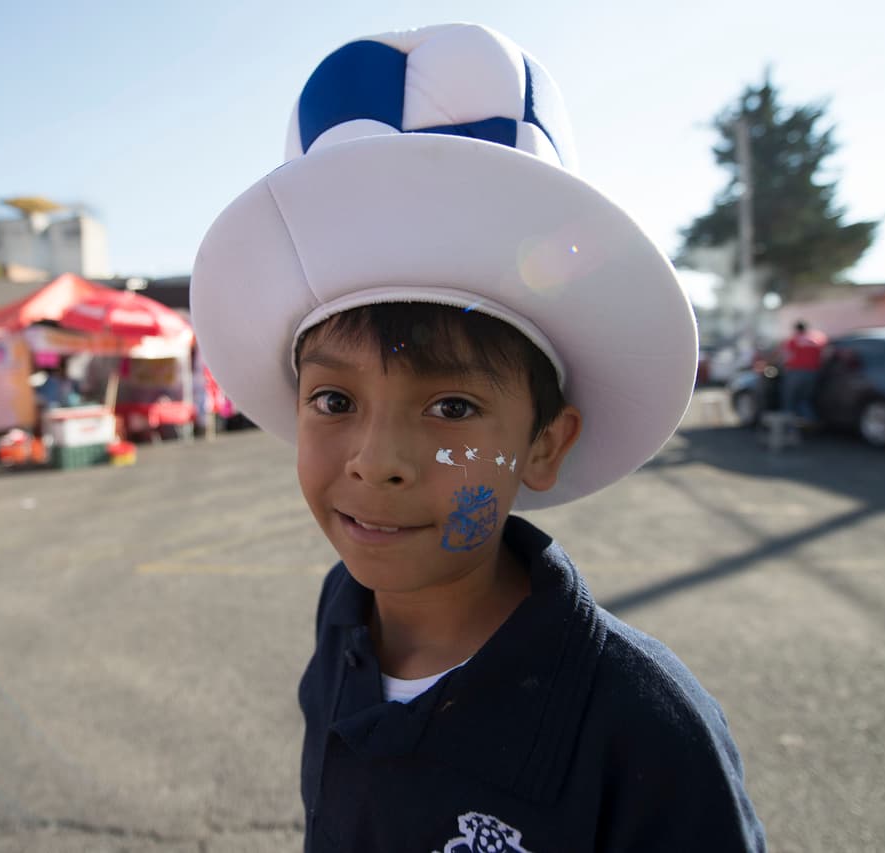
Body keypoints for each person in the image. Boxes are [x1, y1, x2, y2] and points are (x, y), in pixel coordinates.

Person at [189, 24, 765, 851]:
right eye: (332, 397)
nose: (376, 460)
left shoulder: (645, 726)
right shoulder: (344, 618)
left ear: (544, 442)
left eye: (452, 407)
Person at [780, 320, 828, 421]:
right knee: (805, 398)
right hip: (812, 373)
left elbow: (787, 357)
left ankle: (789, 422)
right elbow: (824, 355)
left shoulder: (793, 340)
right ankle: (809, 420)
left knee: (790, 398)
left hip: (795, 372)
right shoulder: (817, 339)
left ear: (796, 329)